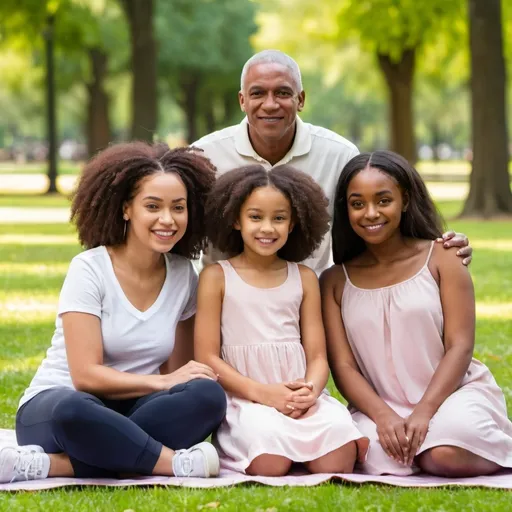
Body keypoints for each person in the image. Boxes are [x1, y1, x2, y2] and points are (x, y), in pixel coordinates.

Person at [0, 142, 227, 484]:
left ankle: (57, 466)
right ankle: (171, 464)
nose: (168, 219)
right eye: (153, 206)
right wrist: (163, 382)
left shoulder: (183, 274)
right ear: (125, 209)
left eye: (178, 208)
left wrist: (175, 384)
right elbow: (85, 377)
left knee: (207, 396)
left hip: (132, 409)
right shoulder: (90, 268)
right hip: (60, 407)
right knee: (75, 410)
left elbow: (179, 373)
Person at [193, 49, 473, 275]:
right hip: (222, 301)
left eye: (282, 93)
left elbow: (375, 218)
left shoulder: (339, 155)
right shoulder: (205, 156)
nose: (270, 104)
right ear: (242, 100)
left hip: (310, 300)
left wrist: (438, 248)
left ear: (300, 99)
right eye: (257, 93)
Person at [320, 150, 512, 477]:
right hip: (380, 407)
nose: (370, 213)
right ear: (346, 209)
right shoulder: (334, 281)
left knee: (443, 457)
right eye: (357, 204)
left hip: (451, 395)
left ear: (405, 200)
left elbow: (460, 346)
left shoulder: (443, 258)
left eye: (383, 200)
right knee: (363, 456)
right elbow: (343, 366)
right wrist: (383, 417)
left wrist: (424, 413)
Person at [194, 165, 369, 477]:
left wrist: (311, 391)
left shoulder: (303, 277)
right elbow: (206, 357)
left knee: (338, 460)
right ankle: (274, 446)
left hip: (298, 395)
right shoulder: (216, 277)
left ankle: (305, 443)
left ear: (293, 223)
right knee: (270, 463)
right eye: (255, 217)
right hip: (247, 398)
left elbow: (317, 355)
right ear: (236, 219)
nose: (267, 228)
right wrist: (263, 393)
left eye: (279, 218)